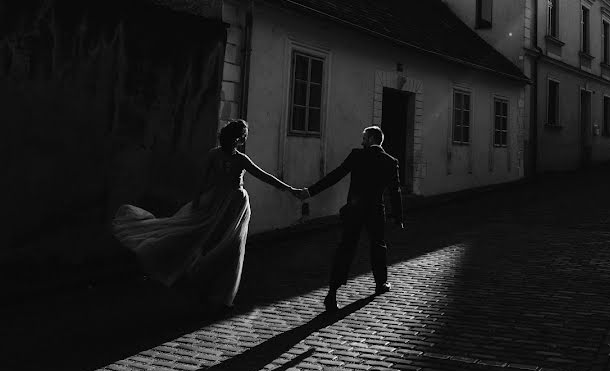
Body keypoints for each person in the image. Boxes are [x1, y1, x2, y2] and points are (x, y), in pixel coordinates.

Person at [112, 119, 303, 308]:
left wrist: (198, 200)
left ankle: (206, 283)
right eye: (243, 138)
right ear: (238, 139)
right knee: (227, 245)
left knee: (209, 239)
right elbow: (264, 177)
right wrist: (290, 189)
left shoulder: (217, 155)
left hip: (219, 200)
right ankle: (211, 286)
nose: (243, 142)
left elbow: (204, 181)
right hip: (232, 203)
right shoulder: (238, 158)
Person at [296, 125, 404, 312]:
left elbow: (335, 176)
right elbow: (395, 191)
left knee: (346, 248)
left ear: (370, 139)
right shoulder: (390, 161)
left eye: (364, 138)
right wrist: (398, 216)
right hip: (375, 211)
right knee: (378, 246)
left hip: (354, 209)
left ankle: (332, 293)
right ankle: (380, 283)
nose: (362, 141)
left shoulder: (357, 155)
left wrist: (310, 191)